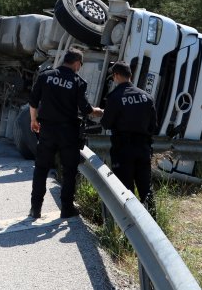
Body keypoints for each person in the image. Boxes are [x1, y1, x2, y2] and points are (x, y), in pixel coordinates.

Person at [28, 48, 103, 219]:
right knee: (69, 171)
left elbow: (33, 101)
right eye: (80, 65)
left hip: (46, 130)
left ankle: (35, 209)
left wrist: (34, 121)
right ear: (76, 62)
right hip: (68, 133)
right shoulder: (77, 81)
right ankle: (66, 209)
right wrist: (99, 111)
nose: (79, 68)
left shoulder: (45, 76)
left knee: (41, 169)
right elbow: (85, 109)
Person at [100, 61, 158, 211]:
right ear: (130, 75)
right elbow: (153, 126)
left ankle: (129, 227)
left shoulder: (115, 97)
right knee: (146, 188)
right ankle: (152, 224)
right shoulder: (147, 97)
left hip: (123, 150)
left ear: (116, 75)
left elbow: (106, 124)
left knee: (125, 190)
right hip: (143, 149)